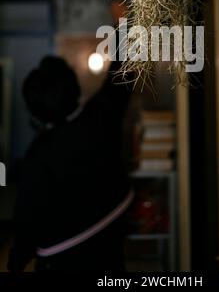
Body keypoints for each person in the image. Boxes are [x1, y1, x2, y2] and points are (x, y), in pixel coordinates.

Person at [7, 14, 133, 271]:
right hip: (109, 243)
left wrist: (17, 259)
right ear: (74, 89)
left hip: (59, 258)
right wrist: (124, 22)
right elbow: (123, 71)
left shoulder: (38, 155)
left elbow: (27, 217)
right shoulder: (101, 115)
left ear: (34, 110)